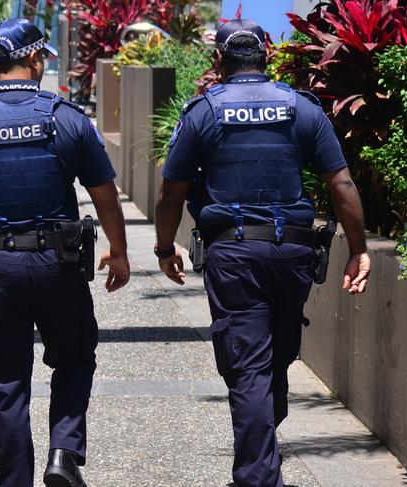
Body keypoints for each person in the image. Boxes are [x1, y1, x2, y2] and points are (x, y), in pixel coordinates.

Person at [154, 19, 371, 487]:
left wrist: (164, 245)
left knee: (251, 365)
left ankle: (256, 478)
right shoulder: (302, 109)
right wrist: (359, 249)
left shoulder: (203, 112)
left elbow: (172, 192)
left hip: (234, 255)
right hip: (292, 254)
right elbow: (342, 182)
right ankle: (260, 465)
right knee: (274, 357)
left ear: (220, 62)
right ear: (267, 57)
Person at [0, 18, 130, 487]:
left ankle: (14, 480)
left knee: (6, 381)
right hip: (59, 266)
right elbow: (105, 195)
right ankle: (64, 452)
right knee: (75, 357)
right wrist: (118, 250)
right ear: (35, 59)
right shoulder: (67, 118)